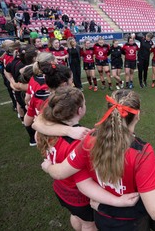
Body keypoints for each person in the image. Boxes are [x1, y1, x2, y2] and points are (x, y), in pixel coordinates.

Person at [34, 90, 155, 230]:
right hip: (131, 222)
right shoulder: (142, 153)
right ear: (138, 115)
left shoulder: (89, 140)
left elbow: (65, 174)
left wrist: (48, 166)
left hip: (102, 215)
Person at [36, 86, 138, 231]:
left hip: (60, 188)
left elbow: (37, 126)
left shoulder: (46, 130)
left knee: (77, 217)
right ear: (80, 110)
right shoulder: (80, 142)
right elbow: (83, 181)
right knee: (89, 225)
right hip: (77, 196)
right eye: (84, 104)